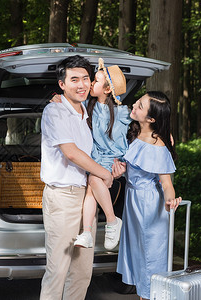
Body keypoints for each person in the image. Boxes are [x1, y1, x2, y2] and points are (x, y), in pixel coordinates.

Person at [40, 55, 113, 300]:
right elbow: (71, 153)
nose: (81, 85)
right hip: (62, 198)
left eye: (85, 79)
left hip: (86, 198)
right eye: (74, 80)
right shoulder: (55, 111)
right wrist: (103, 173)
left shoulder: (85, 111)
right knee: (58, 270)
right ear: (62, 84)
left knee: (82, 272)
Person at [50, 58, 129, 250]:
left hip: (113, 161)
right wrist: (55, 97)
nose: (90, 84)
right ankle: (87, 232)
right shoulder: (88, 106)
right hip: (96, 159)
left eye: (95, 81)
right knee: (90, 191)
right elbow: (69, 102)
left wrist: (162, 132)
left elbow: (143, 127)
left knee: (93, 181)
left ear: (107, 89)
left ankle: (111, 221)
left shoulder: (123, 112)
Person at [113, 91, 182, 300]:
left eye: (140, 106)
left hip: (149, 205)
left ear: (151, 119)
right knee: (138, 256)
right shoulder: (134, 131)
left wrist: (171, 200)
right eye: (138, 101)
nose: (134, 105)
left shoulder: (158, 145)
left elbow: (167, 183)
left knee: (151, 259)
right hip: (133, 202)